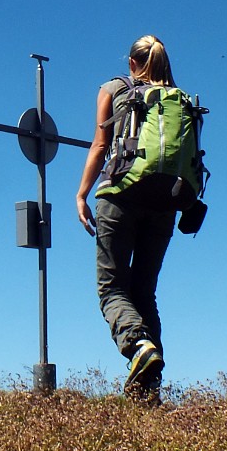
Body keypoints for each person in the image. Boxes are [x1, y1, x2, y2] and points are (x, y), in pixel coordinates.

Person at [75, 35, 181, 404]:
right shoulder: (176, 99)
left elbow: (100, 145)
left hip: (120, 196)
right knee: (144, 291)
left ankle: (137, 346)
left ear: (133, 63)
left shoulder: (115, 88)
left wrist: (82, 193)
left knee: (111, 288)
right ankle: (147, 391)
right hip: (165, 202)